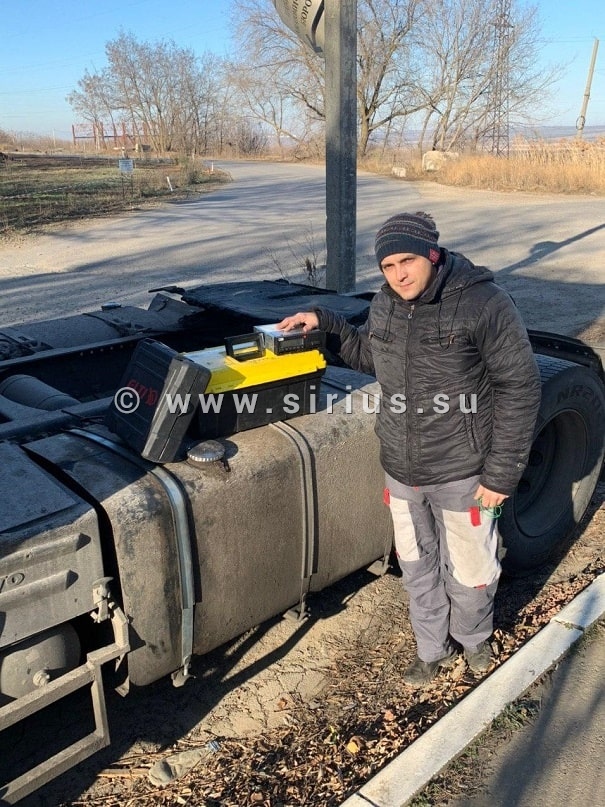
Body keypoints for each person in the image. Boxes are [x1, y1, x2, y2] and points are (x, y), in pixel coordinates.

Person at [276, 212, 542, 686]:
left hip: (463, 470)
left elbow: (519, 387)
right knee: (417, 565)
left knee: (472, 568)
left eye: (408, 261)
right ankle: (431, 649)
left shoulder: (484, 303)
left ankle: (474, 640)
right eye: (388, 266)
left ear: (432, 255)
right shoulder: (386, 303)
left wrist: (502, 473)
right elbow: (369, 358)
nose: (398, 275)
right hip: (401, 470)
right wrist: (327, 324)